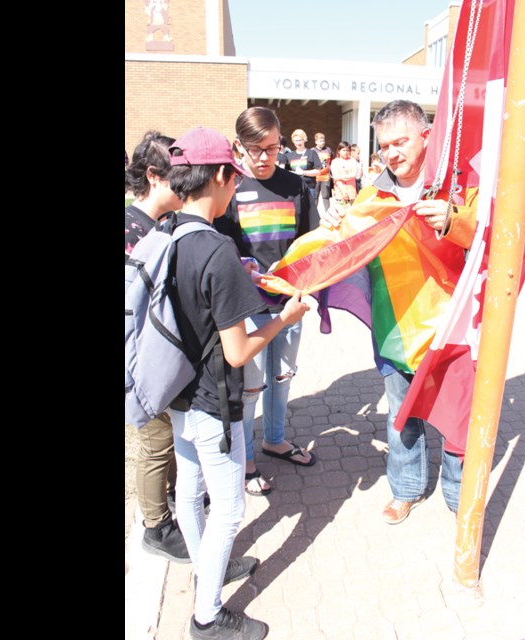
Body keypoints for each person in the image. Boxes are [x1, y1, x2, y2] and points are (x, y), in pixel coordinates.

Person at [164, 126, 310, 640]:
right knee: (229, 506)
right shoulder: (216, 249)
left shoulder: (169, 234)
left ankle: (207, 571)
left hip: (175, 393)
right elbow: (239, 350)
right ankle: (208, 617)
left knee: (188, 489)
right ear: (224, 176)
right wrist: (283, 321)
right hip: (211, 397)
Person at [320, 100, 478, 524]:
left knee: (455, 415)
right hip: (394, 328)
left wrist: (455, 219)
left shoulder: (458, 188)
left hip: (450, 327)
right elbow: (342, 248)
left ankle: (458, 493)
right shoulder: (372, 196)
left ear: (426, 136)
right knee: (400, 416)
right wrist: (334, 221)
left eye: (401, 142)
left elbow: (493, 239)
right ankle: (406, 490)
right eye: (385, 145)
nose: (392, 153)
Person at [214, 106, 317, 498]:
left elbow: (311, 244)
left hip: (289, 304)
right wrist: (246, 272)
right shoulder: (230, 189)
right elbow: (220, 251)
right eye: (255, 149)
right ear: (238, 146)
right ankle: (246, 462)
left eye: (272, 149)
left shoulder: (296, 186)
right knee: (250, 387)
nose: (263, 158)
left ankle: (276, 440)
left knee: (282, 377)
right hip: (248, 310)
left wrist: (306, 285)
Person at [124, 130, 191, 563]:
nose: (187, 187)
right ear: (153, 176)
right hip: (141, 359)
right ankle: (156, 526)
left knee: (166, 436)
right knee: (156, 440)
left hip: (162, 355)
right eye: (178, 177)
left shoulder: (163, 223)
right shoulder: (133, 229)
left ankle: (172, 500)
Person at [284, 129, 322, 226]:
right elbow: (285, 171)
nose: (298, 142)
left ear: (305, 140)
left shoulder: (312, 153)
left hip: (310, 188)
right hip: (294, 189)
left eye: (300, 140)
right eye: (296, 140)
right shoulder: (289, 156)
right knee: (296, 212)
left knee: (310, 212)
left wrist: (303, 172)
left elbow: (318, 171)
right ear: (293, 141)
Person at [329, 141, 358, 209]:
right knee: (341, 213)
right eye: (343, 150)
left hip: (352, 192)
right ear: (339, 151)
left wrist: (341, 177)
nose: (346, 152)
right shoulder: (335, 162)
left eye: (348, 150)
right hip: (340, 192)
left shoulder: (353, 161)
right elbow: (336, 177)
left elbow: (354, 174)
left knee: (352, 213)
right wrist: (343, 192)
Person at [312, 132, 333, 214]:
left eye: (323, 140)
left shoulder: (328, 150)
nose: (322, 142)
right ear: (316, 142)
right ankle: (314, 214)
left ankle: (329, 214)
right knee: (315, 197)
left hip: (326, 177)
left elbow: (332, 161)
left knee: (325, 196)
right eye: (320, 141)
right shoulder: (312, 151)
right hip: (315, 177)